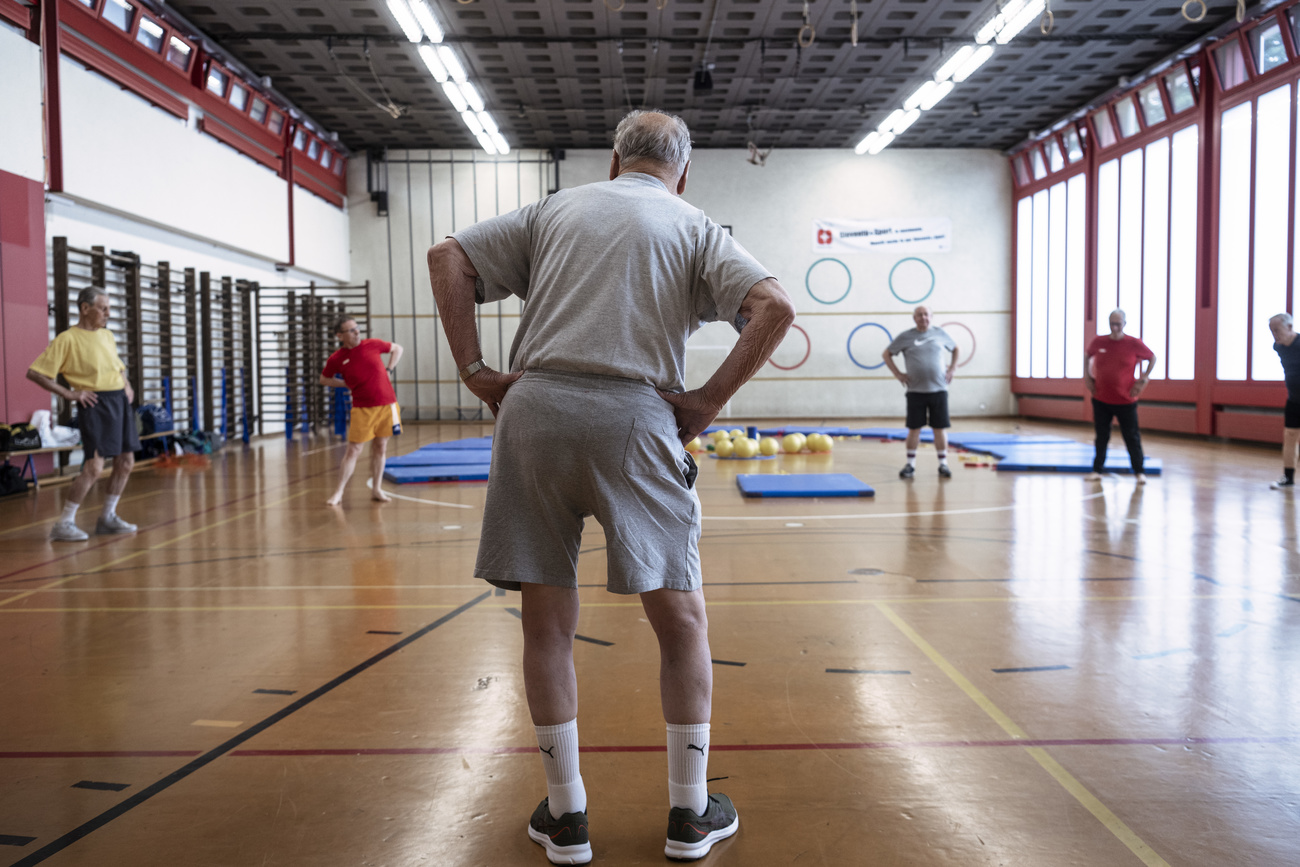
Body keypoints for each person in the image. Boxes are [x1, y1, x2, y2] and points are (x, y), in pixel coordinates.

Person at [427, 109, 795, 864]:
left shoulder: (557, 207)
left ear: (613, 161)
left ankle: (566, 818)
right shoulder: (694, 224)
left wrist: (475, 372)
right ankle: (689, 815)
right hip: (637, 414)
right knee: (680, 620)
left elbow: (446, 257)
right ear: (682, 171)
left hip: (533, 410)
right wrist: (706, 402)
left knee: (546, 623)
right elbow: (774, 307)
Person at [25, 287, 139, 541]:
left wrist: (127, 385)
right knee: (94, 467)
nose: (108, 313)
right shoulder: (67, 339)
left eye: (109, 308)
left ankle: (107, 517)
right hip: (95, 405)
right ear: (85, 308)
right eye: (103, 308)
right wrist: (70, 394)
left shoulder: (107, 336)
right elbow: (35, 373)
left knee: (126, 462)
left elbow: (118, 367)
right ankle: (64, 523)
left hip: (119, 402)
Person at [319, 317, 403, 506]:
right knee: (354, 450)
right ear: (340, 336)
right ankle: (338, 493)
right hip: (362, 409)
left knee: (381, 447)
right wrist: (343, 384)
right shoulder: (337, 358)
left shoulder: (372, 344)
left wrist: (389, 368)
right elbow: (324, 379)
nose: (357, 332)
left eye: (357, 328)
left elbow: (398, 348)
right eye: (351, 330)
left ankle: (377, 489)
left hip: (387, 404)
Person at [882, 305, 959, 479]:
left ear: (931, 317)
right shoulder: (906, 336)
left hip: (938, 390)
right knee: (914, 428)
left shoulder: (940, 334)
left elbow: (956, 349)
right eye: (919, 315)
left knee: (939, 429)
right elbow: (886, 354)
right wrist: (898, 374)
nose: (923, 317)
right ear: (914, 318)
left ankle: (943, 464)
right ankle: (910, 465)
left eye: (926, 314)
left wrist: (952, 369)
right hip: (916, 391)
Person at [1084, 309, 1155, 483]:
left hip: (1125, 400)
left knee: (1131, 437)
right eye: (1112, 324)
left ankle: (1139, 472)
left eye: (1118, 324)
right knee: (1101, 436)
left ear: (1124, 324)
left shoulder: (1133, 343)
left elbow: (1152, 358)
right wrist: (1087, 377)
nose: (1115, 327)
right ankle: (1097, 470)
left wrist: (1143, 379)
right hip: (1101, 399)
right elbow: (1087, 356)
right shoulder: (1099, 342)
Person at [1269, 312, 1299, 490]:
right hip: (1294, 400)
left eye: (1277, 330)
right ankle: (1288, 478)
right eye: (1271, 331)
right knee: (1289, 437)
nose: (1274, 334)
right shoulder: (1278, 347)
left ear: (1289, 327)